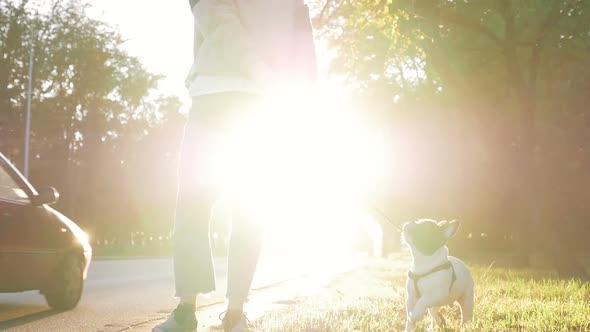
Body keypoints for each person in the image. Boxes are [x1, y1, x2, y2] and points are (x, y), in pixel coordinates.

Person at [153, 0, 316, 331]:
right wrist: (265, 75)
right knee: (194, 206)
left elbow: (304, 50)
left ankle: (234, 313)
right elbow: (218, 21)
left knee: (248, 208)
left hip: (258, 102)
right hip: (219, 95)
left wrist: (305, 106)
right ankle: (187, 312)